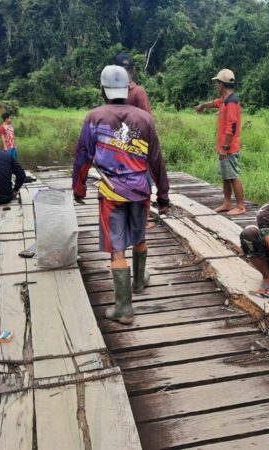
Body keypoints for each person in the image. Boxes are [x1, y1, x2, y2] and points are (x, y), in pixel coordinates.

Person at [73, 65, 170, 324]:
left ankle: (124, 309)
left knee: (118, 249)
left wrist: (78, 187)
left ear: (102, 90)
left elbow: (83, 155)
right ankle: (138, 281)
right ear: (127, 88)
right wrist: (164, 196)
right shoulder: (144, 119)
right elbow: (156, 160)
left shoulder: (94, 117)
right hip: (140, 190)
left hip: (111, 193)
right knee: (139, 235)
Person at [195, 69, 245, 216]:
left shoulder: (231, 102)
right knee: (226, 176)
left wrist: (224, 147)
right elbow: (215, 103)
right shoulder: (225, 100)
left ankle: (241, 206)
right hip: (224, 148)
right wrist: (202, 106)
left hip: (229, 148)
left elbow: (232, 127)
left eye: (217, 83)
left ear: (221, 84)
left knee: (233, 176)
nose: (216, 86)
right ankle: (227, 203)